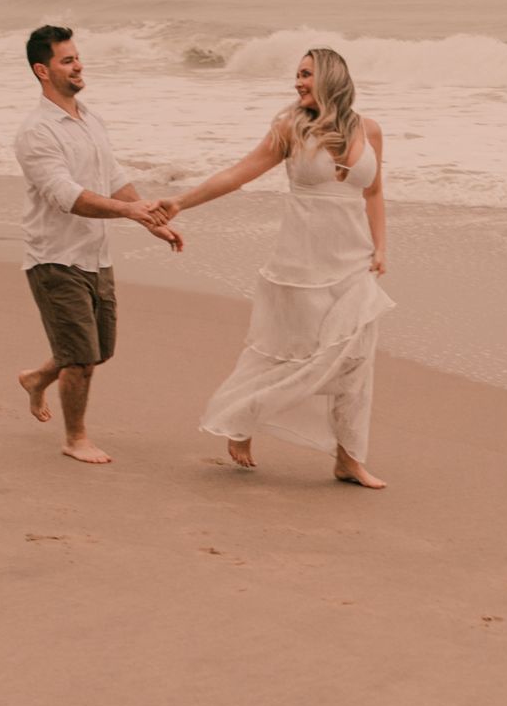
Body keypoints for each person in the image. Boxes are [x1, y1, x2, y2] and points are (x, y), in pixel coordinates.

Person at [157, 48, 392, 488]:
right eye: (297, 75)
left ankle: (348, 458)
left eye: (305, 74)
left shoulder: (370, 130)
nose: (298, 82)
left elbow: (374, 192)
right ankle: (242, 420)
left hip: (354, 263)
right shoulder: (289, 128)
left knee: (355, 362)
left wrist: (381, 247)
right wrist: (181, 202)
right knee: (290, 352)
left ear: (330, 77)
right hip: (301, 265)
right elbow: (239, 174)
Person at [14, 24, 182, 465]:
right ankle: (75, 438)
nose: (78, 65)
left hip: (95, 255)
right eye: (67, 60)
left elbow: (112, 178)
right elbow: (65, 196)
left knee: (99, 350)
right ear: (42, 70)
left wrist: (149, 217)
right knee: (81, 359)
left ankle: (36, 378)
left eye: (77, 57)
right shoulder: (36, 132)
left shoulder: (90, 119)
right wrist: (128, 213)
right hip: (54, 258)